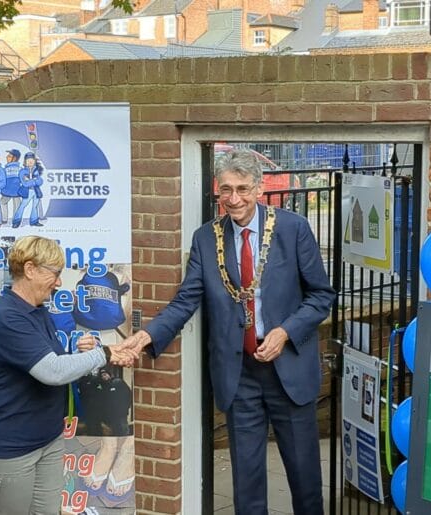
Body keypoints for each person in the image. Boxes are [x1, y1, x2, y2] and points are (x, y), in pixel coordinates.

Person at [121, 149, 334, 514]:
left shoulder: (292, 229)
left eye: (242, 189)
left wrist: (284, 332)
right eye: (225, 190)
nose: (233, 199)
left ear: (260, 188)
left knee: (305, 482)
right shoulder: (207, 238)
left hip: (290, 373)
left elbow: (321, 296)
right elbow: (186, 300)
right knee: (246, 486)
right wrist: (147, 336)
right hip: (240, 376)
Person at [0, 235, 136, 514]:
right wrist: (104, 354)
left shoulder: (38, 312)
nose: (58, 282)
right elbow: (51, 372)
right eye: (54, 274)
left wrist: (81, 357)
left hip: (46, 440)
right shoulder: (7, 317)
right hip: (7, 449)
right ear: (30, 270)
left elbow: (48, 363)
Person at [12, 152, 44, 228]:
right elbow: (25, 183)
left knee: (35, 206)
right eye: (28, 160)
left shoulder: (36, 170)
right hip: (27, 191)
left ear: (34, 161)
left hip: (36, 191)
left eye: (32, 160)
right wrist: (34, 181)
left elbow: (40, 181)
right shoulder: (22, 171)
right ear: (25, 162)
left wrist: (31, 181)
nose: (30, 162)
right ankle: (16, 221)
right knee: (22, 205)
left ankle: (34, 221)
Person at [0, 149, 23, 224]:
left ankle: (4, 219)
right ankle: (15, 220)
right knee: (17, 205)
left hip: (7, 191)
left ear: (15, 158)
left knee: (2, 202)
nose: (7, 157)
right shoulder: (20, 169)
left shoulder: (5, 169)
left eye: (9, 156)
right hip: (16, 192)